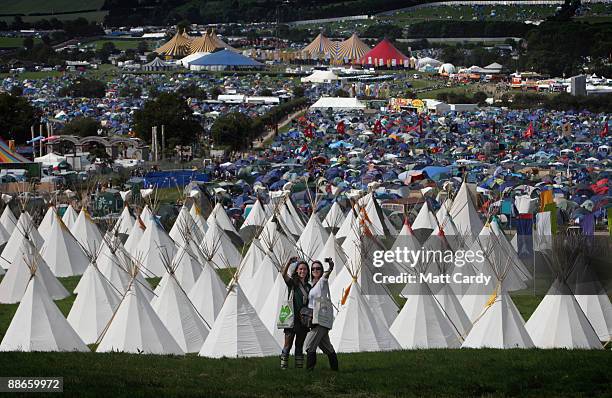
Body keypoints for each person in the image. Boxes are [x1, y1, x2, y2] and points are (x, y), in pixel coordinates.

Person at [304, 259, 338, 371]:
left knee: (309, 345)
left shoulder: (322, 281)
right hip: (313, 318)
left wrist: (330, 267)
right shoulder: (310, 285)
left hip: (319, 319)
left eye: (318, 268)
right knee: (327, 347)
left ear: (322, 270)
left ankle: (310, 371)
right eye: (313, 268)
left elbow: (326, 275)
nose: (315, 270)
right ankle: (335, 370)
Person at [279, 258, 311, 370]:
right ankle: (283, 368)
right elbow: (283, 274)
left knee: (299, 346)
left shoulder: (308, 286)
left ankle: (299, 369)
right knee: (288, 345)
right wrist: (289, 262)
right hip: (291, 319)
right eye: (301, 269)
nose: (303, 271)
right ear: (297, 271)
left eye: (305, 269)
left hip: (303, 320)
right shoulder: (292, 283)